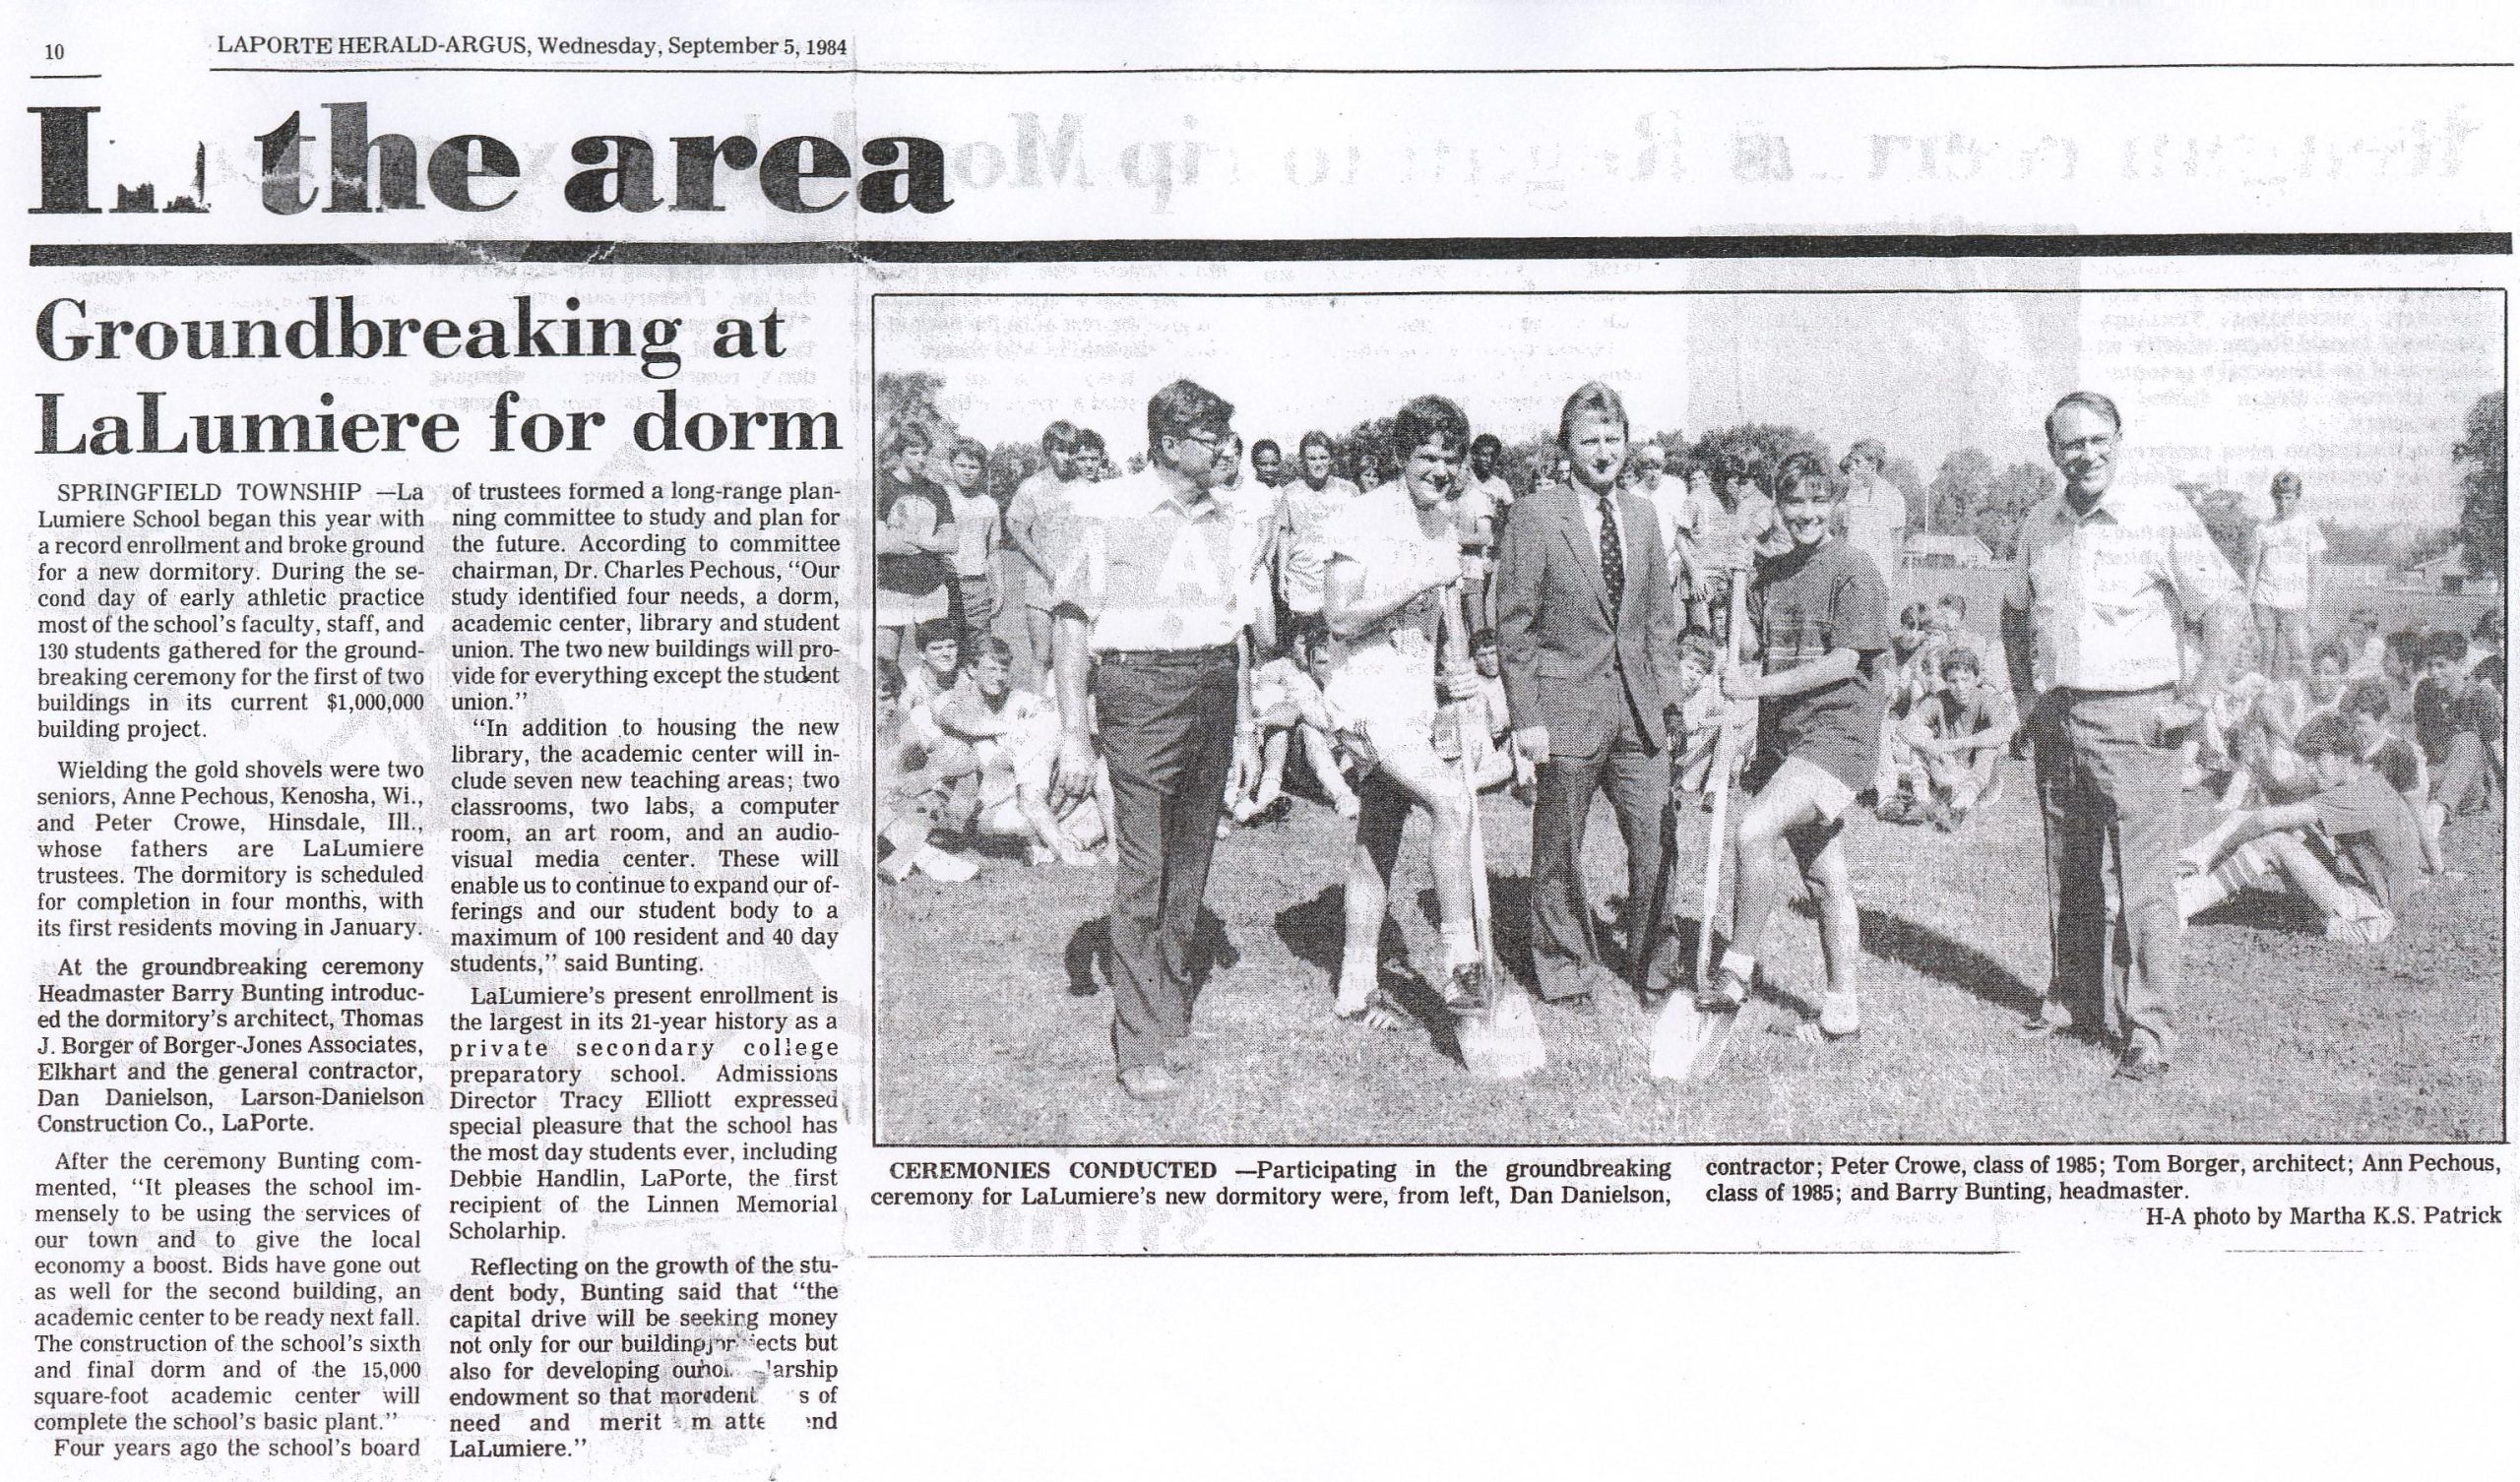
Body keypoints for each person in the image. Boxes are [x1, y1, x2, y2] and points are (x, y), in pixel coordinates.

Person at [2001, 391, 2248, 1083]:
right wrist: (2026, 699)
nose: (2084, 454)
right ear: (2052, 452)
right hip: (2059, 717)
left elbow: (2224, 605)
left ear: (2119, 440)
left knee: (2142, 886)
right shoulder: (2039, 524)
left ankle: (2148, 1028)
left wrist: (2197, 698)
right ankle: (2073, 1003)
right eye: (2070, 443)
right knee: (2069, 873)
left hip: (2137, 719)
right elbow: (2013, 611)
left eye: (2096, 440)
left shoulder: (2158, 512)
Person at [1046, 379, 1264, 1103]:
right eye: (1213, 438)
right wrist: (1075, 736)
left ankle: (1169, 1013)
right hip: (1138, 691)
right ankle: (1137, 1044)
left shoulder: (1235, 516)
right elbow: (1071, 622)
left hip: (1212, 683)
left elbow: (1238, 629)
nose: (1228, 450)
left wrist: (1245, 726)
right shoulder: (1104, 509)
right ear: (1171, 444)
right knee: (1142, 869)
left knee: (1190, 863)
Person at [1495, 382, 1688, 1009]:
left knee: (1657, 841)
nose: (1603, 452)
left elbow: (1661, 616)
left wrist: (1670, 701)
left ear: (1628, 444)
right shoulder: (1534, 514)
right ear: (1567, 447)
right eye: (1589, 440)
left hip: (1640, 711)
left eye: (1613, 439)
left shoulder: (1642, 514)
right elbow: (1515, 626)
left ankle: (1655, 968)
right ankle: (1563, 968)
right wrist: (1526, 718)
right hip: (1565, 707)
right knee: (1557, 848)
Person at [1699, 452, 1889, 1043]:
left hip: (1838, 734)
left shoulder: (1854, 568)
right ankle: (1841, 1009)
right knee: (1824, 876)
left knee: (1753, 831)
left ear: (1835, 505)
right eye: (1794, 502)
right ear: (1777, 507)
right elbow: (1752, 639)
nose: (1806, 514)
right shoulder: (1772, 573)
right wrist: (1728, 578)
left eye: (1817, 501)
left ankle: (1736, 969)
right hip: (1788, 738)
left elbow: (1843, 661)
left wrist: (1755, 688)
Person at [1319, 397, 1488, 1029]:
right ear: (1400, 457)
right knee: (1453, 803)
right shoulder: (1360, 517)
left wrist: (1456, 676)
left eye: (1451, 458)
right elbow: (1337, 616)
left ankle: (1355, 991)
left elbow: (1444, 625)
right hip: (1361, 702)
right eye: (1427, 456)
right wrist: (1420, 579)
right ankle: (1460, 960)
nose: (1440, 470)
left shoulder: (1445, 520)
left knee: (1376, 845)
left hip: (1412, 698)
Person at [2173, 712, 2422, 944]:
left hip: (2371, 919)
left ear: (2344, 756)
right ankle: (2186, 871)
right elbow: (2282, 801)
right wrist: (2260, 766)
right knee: (2279, 827)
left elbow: (2266, 821)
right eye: (2308, 760)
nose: (2311, 769)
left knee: (2274, 842)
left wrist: (2218, 854)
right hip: (2361, 897)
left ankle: (2181, 904)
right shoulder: (2358, 781)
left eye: (2318, 759)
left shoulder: (2362, 794)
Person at [937, 638, 1102, 867]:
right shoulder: (951, 703)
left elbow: (1048, 712)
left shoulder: (1018, 700)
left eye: (1003, 670)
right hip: (988, 807)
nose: (998, 677)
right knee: (1023, 822)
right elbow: (964, 723)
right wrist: (1014, 729)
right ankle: (1061, 846)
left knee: (1098, 813)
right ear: (972, 670)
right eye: (991, 669)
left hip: (1030, 792)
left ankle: (1052, 848)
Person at [1888, 645, 2016, 831]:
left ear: (1976, 678)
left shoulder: (1986, 699)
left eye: (1966, 679)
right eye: (1953, 681)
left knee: (1991, 745)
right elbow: (1905, 727)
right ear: (1946, 681)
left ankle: (1959, 808)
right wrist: (1932, 746)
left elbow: (2004, 731)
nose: (1960, 687)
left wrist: (1955, 744)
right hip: (1946, 771)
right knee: (1921, 737)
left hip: (1980, 780)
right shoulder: (1939, 699)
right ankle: (1921, 802)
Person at [875, 661, 980, 884]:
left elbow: (967, 756)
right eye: (883, 698)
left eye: (895, 696)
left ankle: (903, 859)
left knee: (945, 780)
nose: (892, 705)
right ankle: (926, 858)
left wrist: (932, 773)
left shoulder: (905, 721)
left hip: (892, 818)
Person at [2340, 676, 2448, 877]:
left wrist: (2438, 868)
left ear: (2383, 721)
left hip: (2391, 839)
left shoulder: (2399, 753)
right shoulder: (2351, 749)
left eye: (2362, 724)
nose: (2356, 731)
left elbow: (2417, 815)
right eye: (2352, 725)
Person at [1004, 420, 1087, 676]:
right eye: (1061, 449)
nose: (1068, 456)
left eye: (1072, 450)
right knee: (1043, 654)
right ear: (1048, 450)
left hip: (1077, 582)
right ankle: (1039, 711)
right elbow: (1015, 526)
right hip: (1041, 582)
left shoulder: (1085, 486)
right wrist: (1044, 566)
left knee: (1076, 654)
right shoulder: (1032, 486)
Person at [874, 422, 958, 664]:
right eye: (914, 452)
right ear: (900, 454)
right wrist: (931, 541)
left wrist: (916, 539)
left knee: (938, 661)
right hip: (891, 586)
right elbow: (879, 544)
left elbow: (952, 542)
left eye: (925, 452)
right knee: (886, 661)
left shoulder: (937, 491)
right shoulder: (882, 486)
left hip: (932, 586)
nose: (921, 459)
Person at [1278, 430, 1363, 645]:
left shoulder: (1348, 491)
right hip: (1302, 574)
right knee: (1304, 639)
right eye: (1312, 458)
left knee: (1337, 638)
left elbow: (1360, 535)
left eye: (1323, 457)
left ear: (1332, 459)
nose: (1318, 463)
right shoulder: (1290, 492)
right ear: (1303, 461)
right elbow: (1284, 534)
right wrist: (1281, 576)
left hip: (1337, 575)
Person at [2415, 629, 2504, 823]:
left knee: (2468, 740)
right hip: (2438, 772)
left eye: (2441, 665)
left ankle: (2439, 811)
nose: (2433, 672)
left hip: (2471, 781)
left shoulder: (2480, 695)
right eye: (2429, 665)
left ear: (2460, 663)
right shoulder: (2425, 691)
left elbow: (2494, 746)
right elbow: (2425, 741)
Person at [2245, 470, 2324, 682]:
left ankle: (2286, 701)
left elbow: (2316, 571)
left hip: (2293, 602)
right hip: (2264, 599)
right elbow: (2252, 566)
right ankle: (2258, 702)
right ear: (2273, 497)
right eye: (2278, 497)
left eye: (2288, 497)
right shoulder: (2262, 529)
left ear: (2298, 497)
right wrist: (2247, 603)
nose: (2283, 503)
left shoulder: (2308, 527)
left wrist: (2313, 609)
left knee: (2292, 654)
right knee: (2266, 652)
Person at [944, 437, 1002, 649]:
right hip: (944, 583)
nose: (967, 471)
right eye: (961, 465)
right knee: (948, 648)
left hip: (976, 584)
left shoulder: (989, 505)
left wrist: (999, 589)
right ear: (951, 465)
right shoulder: (940, 497)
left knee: (981, 651)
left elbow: (993, 552)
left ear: (981, 469)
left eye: (973, 466)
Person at [1838, 437, 1907, 599]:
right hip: (1850, 578)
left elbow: (1897, 543)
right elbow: (1844, 537)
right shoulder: (1851, 495)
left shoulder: (1892, 495)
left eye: (1857, 461)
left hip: (1879, 577)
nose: (1852, 465)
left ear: (1872, 464)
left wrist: (1892, 582)